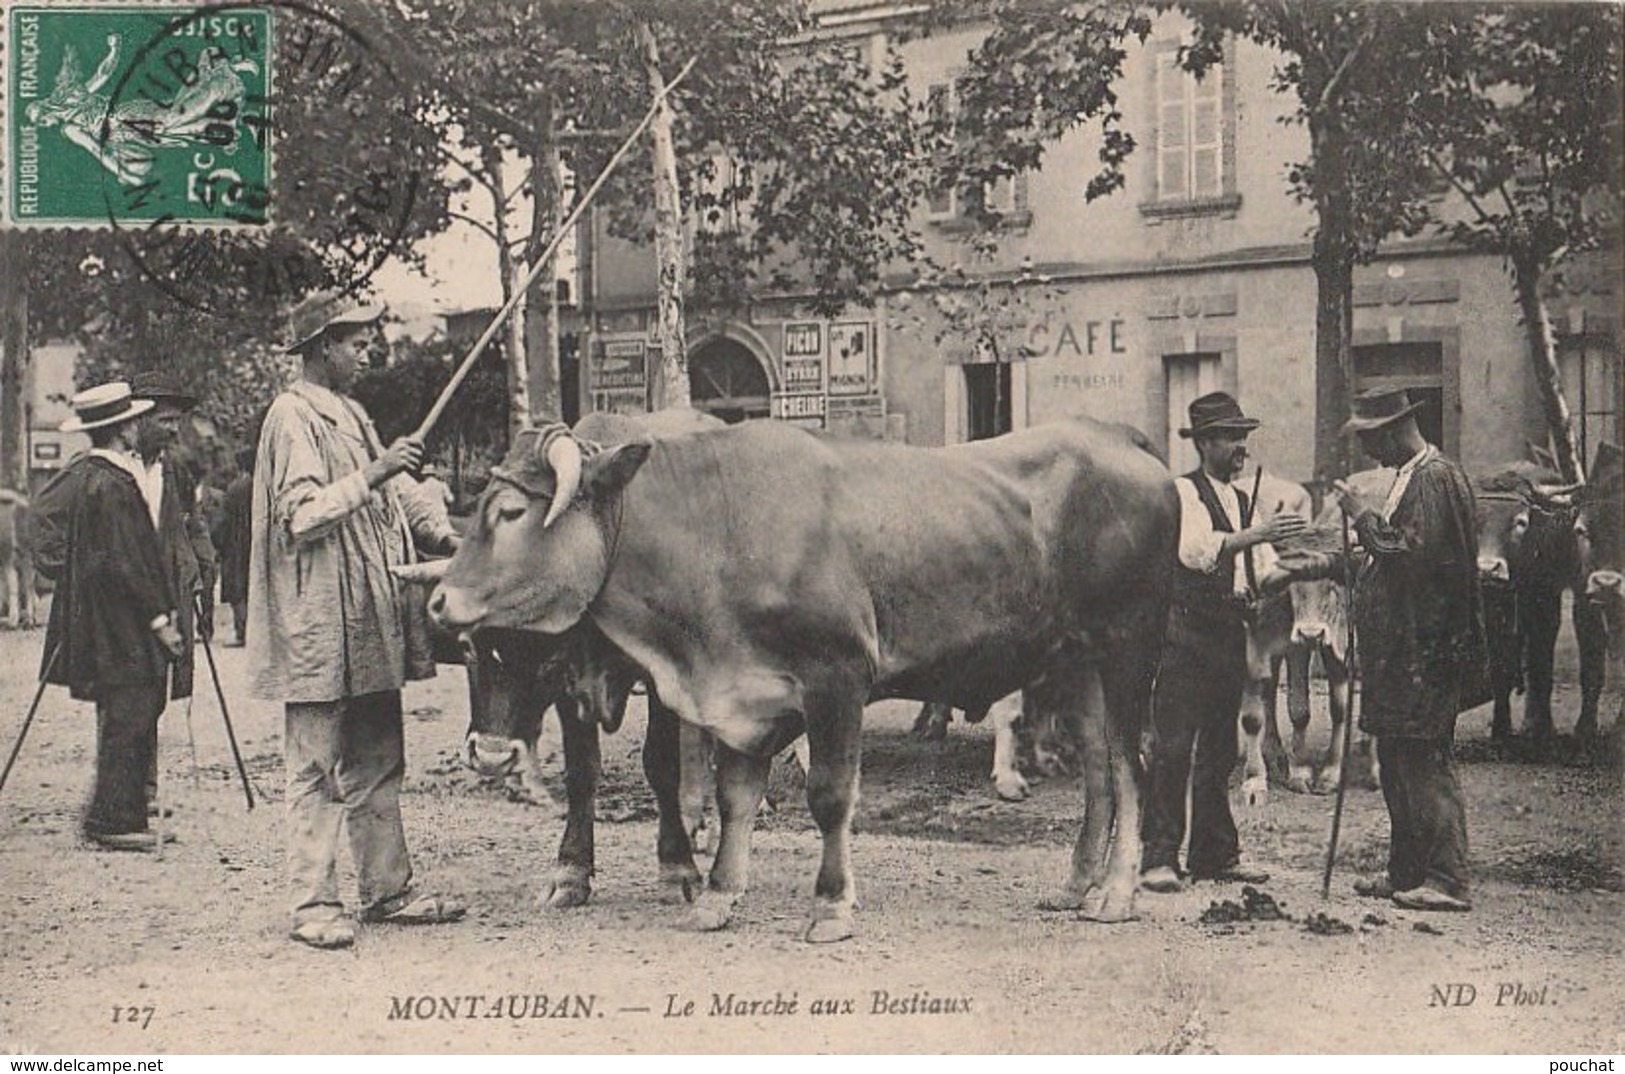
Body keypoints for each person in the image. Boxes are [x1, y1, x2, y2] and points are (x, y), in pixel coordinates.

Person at [247, 291, 465, 950]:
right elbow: (304, 515)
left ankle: (387, 890)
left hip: (369, 619)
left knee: (377, 757)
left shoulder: (354, 413)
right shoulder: (292, 416)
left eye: (368, 342)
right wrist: (376, 470)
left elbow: (400, 499)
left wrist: (456, 541)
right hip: (316, 619)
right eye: (356, 344)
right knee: (315, 766)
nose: (366, 353)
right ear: (320, 348)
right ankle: (313, 904)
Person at [1326, 388, 1485, 912]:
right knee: (1396, 759)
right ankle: (1406, 872)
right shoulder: (1414, 478)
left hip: (1425, 652)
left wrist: (1363, 516)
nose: (1371, 453)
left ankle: (1447, 878)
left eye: (1372, 440)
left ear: (1396, 429)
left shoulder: (1434, 479)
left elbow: (1409, 555)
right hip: (1403, 651)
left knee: (1423, 759)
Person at [1141, 391, 1305, 894]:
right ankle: (1159, 858)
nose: (1241, 448)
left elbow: (1259, 570)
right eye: (1232, 438)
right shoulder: (1182, 492)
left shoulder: (1240, 500)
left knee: (1221, 749)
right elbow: (1195, 552)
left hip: (1229, 634)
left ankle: (1214, 855)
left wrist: (1309, 562)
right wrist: (1255, 534)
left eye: (1244, 438)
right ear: (1205, 443)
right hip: (1185, 635)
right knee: (1173, 747)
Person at [34, 383, 190, 852]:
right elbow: (129, 561)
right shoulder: (114, 485)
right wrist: (160, 617)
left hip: (113, 618)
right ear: (123, 429)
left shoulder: (99, 479)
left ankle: (123, 812)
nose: (140, 425)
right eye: (134, 420)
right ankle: (112, 821)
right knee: (130, 711)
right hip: (123, 622)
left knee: (132, 708)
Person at [214, 445, 255, 647]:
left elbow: (223, 521)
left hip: (236, 544)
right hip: (256, 541)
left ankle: (242, 632)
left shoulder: (235, 488)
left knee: (238, 589)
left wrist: (218, 543)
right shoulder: (261, 485)